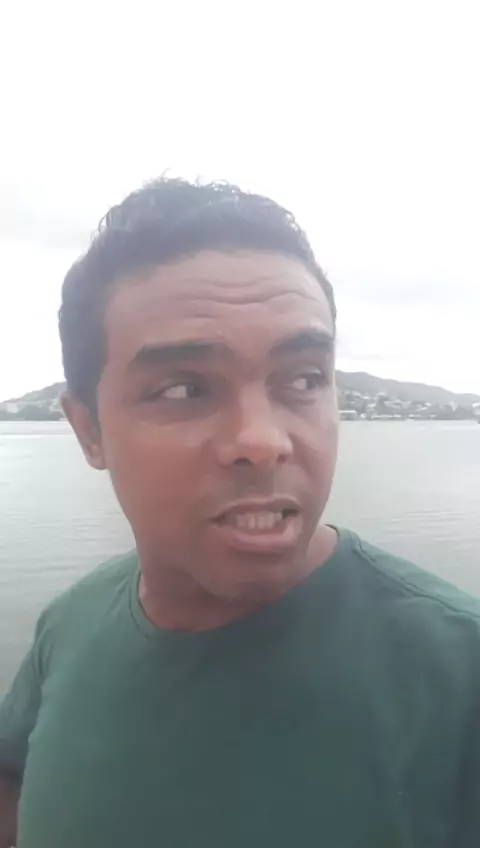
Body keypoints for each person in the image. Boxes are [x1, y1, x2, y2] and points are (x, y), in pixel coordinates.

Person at [0, 178, 479, 848]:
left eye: (304, 379)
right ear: (89, 431)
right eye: (182, 388)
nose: (262, 440)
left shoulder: (458, 676)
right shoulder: (70, 627)